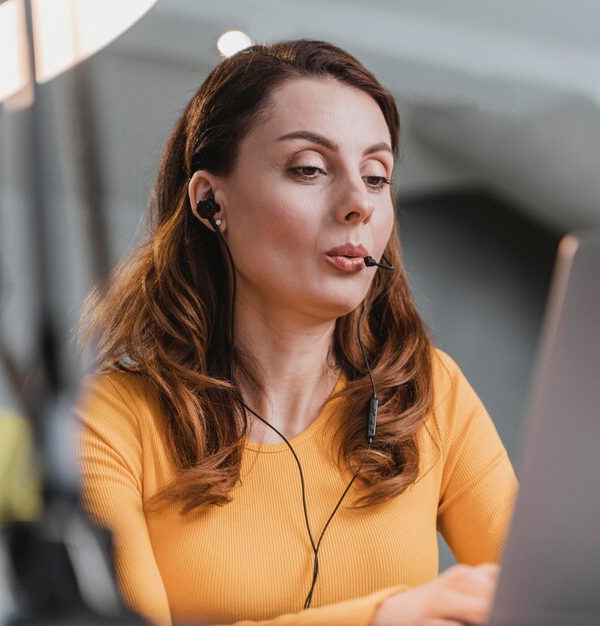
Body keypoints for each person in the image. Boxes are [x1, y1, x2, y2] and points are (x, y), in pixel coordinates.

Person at [76, 39, 518, 626]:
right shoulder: (110, 420)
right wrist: (382, 618)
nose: (358, 203)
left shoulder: (432, 393)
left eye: (376, 175)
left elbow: (545, 601)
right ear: (211, 202)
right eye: (309, 168)